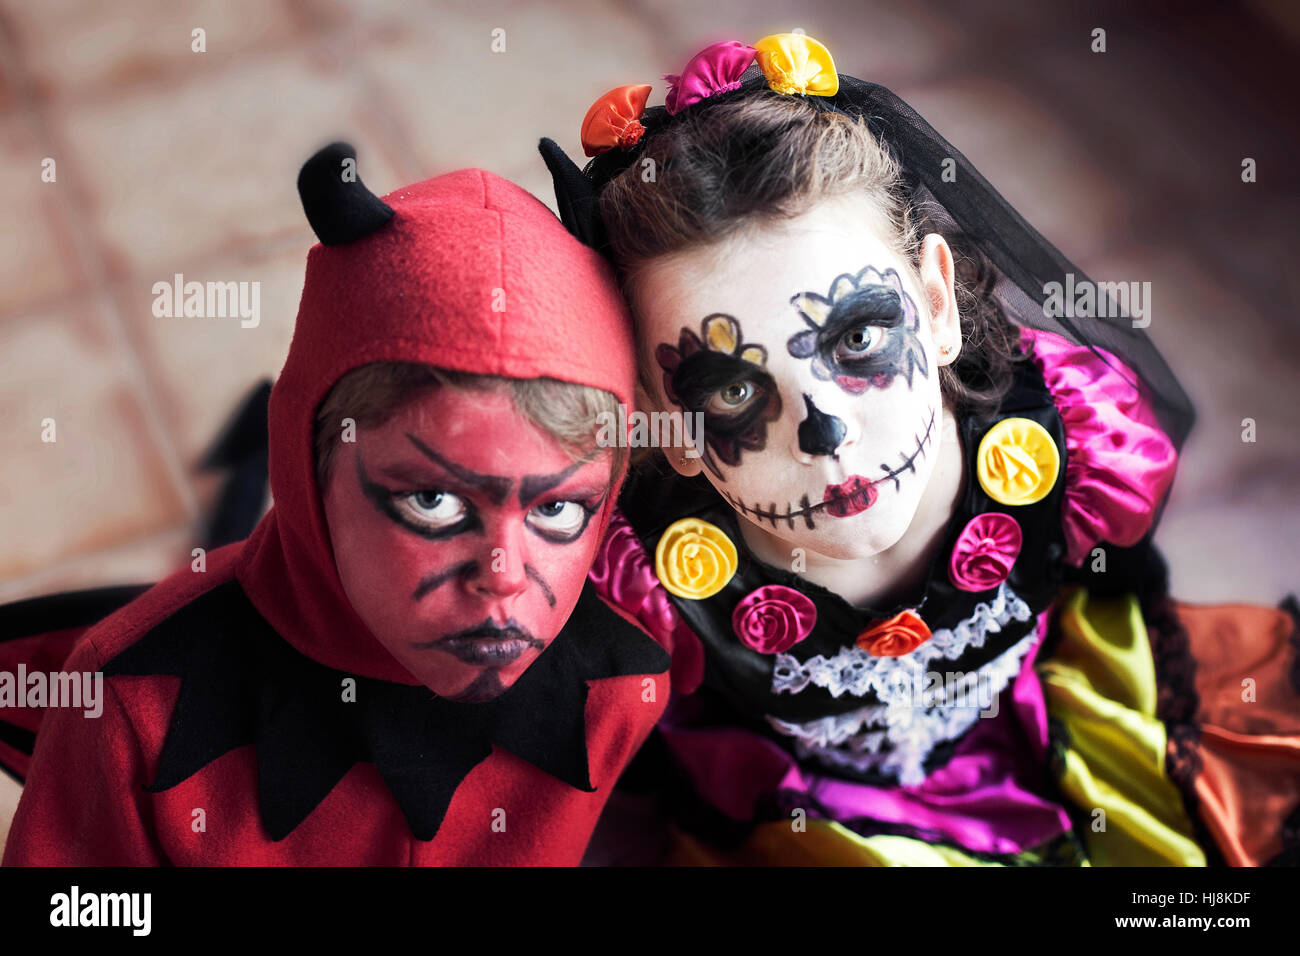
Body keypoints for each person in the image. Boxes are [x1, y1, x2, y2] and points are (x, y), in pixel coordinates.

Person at [541, 34, 1300, 866]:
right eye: (730, 391)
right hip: (813, 815)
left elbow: (1119, 588)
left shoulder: (1074, 437)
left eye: (860, 335)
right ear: (662, 420)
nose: (825, 432)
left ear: (936, 305)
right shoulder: (642, 577)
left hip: (1047, 724)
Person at [0, 143, 673, 865]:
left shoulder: (622, 687)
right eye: (433, 500)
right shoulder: (123, 706)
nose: (505, 576)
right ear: (306, 461)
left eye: (559, 510)